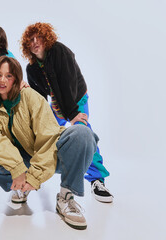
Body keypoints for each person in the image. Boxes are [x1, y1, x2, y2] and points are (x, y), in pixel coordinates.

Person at [0, 56, 98, 230]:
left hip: (54, 154)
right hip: (24, 161)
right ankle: (20, 187)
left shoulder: (30, 96)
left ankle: (66, 197)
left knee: (83, 133)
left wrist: (35, 177)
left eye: (9, 76)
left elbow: (48, 138)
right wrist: (18, 169)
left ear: (17, 79)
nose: (3, 80)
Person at [20, 22, 113, 203]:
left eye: (38, 37)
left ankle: (96, 180)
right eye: (31, 40)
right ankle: (33, 178)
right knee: (42, 138)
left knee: (85, 136)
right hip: (56, 107)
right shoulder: (31, 68)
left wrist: (73, 115)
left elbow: (68, 84)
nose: (35, 42)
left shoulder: (60, 52)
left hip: (76, 101)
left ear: (46, 38)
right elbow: (39, 99)